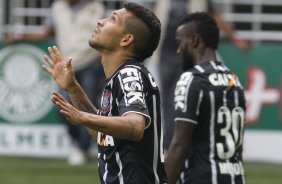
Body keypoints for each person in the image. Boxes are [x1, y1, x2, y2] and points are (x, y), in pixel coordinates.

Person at [42, 2, 167, 183]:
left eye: (112, 19)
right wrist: (73, 89)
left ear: (126, 40)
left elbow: (135, 126)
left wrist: (82, 117)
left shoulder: (129, 74)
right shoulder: (119, 77)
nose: (101, 21)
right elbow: (102, 134)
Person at [5, 0, 106, 165]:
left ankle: (82, 147)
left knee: (88, 107)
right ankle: (79, 143)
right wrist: (20, 36)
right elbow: (45, 32)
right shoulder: (57, 7)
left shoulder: (96, 7)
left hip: (90, 62)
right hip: (66, 65)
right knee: (62, 104)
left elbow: (104, 37)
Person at [165, 12, 246, 184]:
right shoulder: (234, 80)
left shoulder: (191, 79)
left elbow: (179, 145)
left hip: (201, 178)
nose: (178, 51)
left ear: (194, 40)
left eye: (180, 42)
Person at [159, 0, 250, 150]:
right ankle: (172, 143)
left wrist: (236, 39)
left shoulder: (202, 2)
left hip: (190, 56)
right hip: (163, 54)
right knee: (168, 100)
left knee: (180, 100)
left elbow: (215, 18)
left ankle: (175, 144)